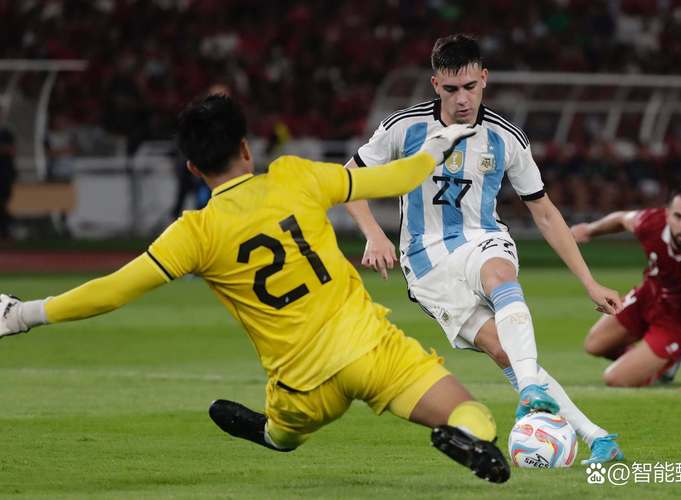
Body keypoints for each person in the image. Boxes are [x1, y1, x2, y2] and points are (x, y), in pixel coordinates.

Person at [0, 94, 511, 484]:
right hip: (372, 352)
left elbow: (112, 291)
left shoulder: (195, 233)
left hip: (301, 385)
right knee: (472, 413)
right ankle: (467, 438)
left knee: (284, 435)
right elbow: (395, 179)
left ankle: (268, 433)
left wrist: (24, 314)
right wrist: (435, 149)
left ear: (193, 169)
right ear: (246, 149)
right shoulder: (296, 177)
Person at [344, 34, 624, 464]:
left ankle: (531, 393)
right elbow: (350, 179)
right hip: (425, 263)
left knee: (499, 274)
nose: (463, 99)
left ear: (485, 79)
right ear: (435, 84)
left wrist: (589, 282)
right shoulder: (403, 127)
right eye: (452, 89)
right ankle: (596, 436)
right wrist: (373, 233)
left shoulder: (506, 137)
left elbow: (545, 213)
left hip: (481, 237)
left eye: (471, 87)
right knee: (504, 350)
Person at [571, 186, 681, 391]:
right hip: (648, 297)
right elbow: (621, 219)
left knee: (615, 379)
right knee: (594, 345)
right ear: (667, 215)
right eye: (679, 217)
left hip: (680, 323)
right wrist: (589, 230)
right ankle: (657, 363)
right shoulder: (651, 223)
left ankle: (658, 361)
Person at [0, 125, 17, 240]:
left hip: (5, 175)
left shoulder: (6, 133)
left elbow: (12, 150)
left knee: (4, 204)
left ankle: (5, 231)